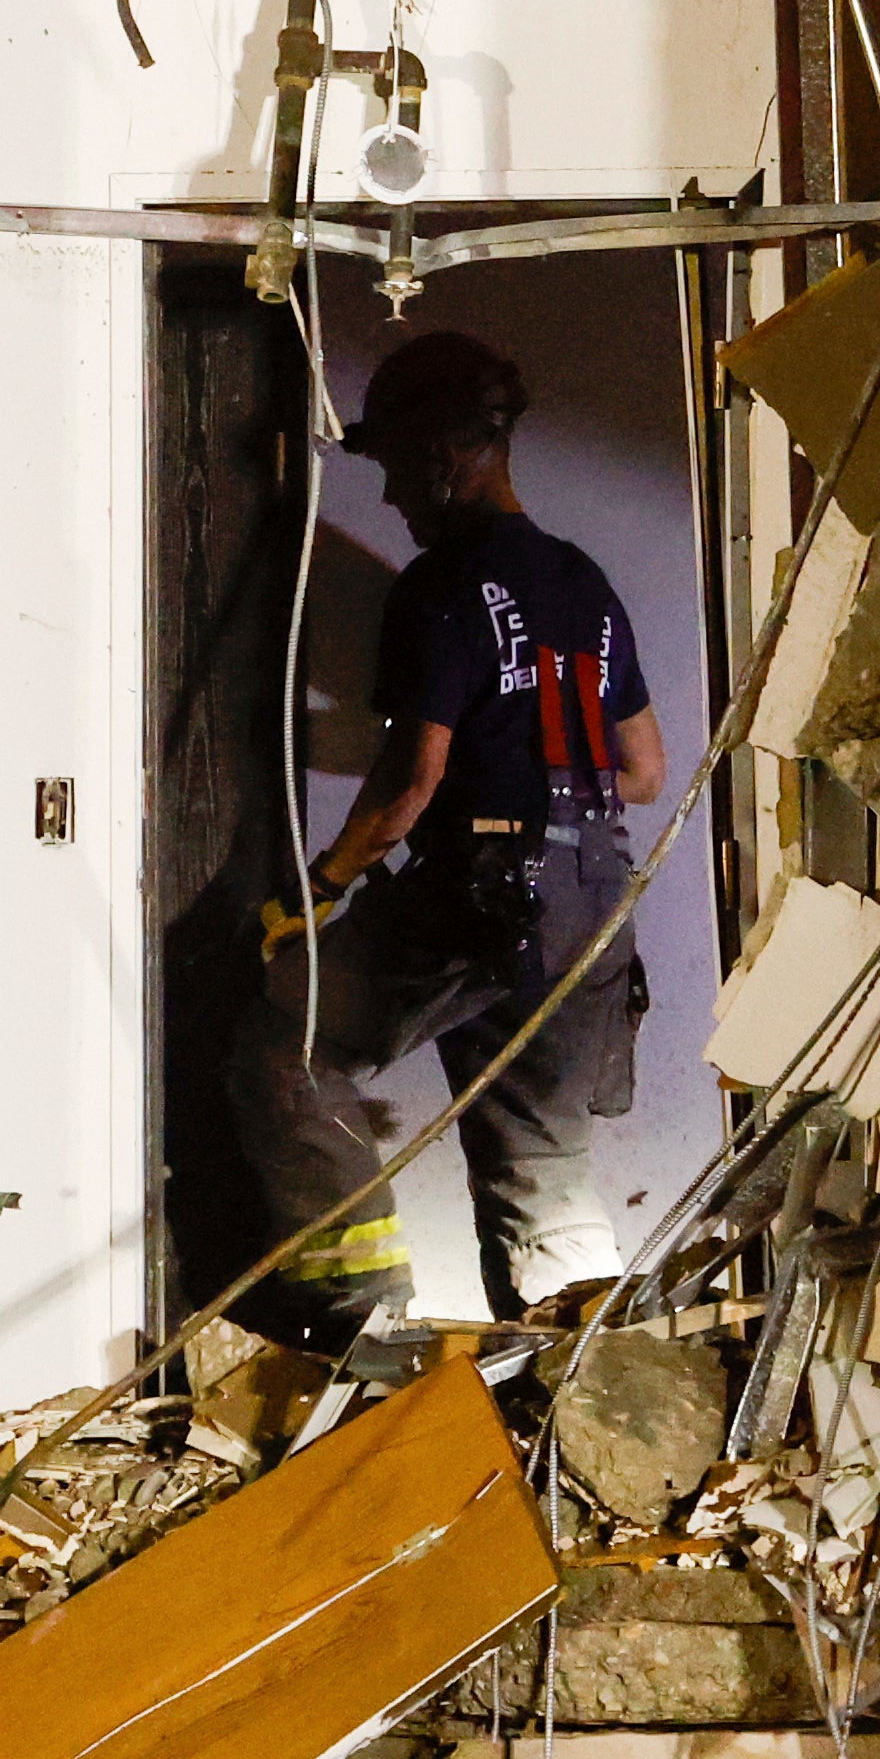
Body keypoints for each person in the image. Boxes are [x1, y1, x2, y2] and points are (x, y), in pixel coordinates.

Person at [229, 330, 666, 1346]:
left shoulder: (438, 588)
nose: (389, 501)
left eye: (390, 470)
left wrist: (315, 891)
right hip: (595, 899)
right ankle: (587, 1392)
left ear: (440, 456)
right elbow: (642, 772)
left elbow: (410, 783)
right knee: (542, 1167)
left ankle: (355, 1324)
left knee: (283, 1041)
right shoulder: (583, 583)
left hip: (485, 891)